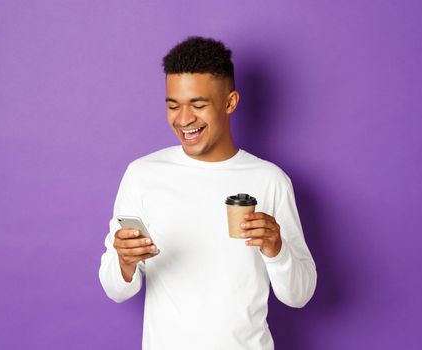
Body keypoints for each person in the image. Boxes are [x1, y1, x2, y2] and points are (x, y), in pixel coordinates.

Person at [99, 36, 317, 350]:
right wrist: (124, 261)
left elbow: (299, 295)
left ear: (230, 103)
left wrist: (277, 248)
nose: (184, 119)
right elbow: (115, 289)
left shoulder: (269, 180)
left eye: (198, 105)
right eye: (173, 106)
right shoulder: (142, 175)